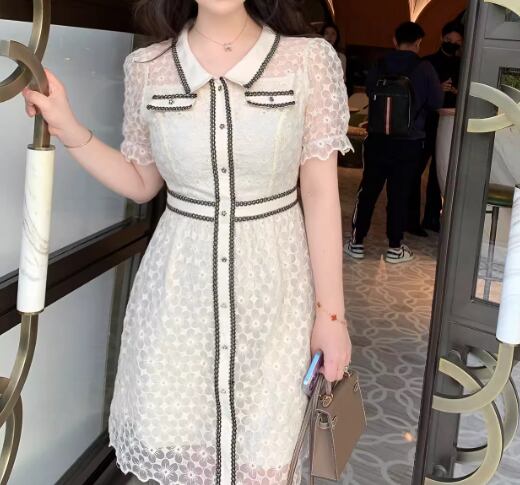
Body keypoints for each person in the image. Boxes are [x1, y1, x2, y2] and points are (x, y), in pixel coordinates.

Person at [22, 0, 353, 483]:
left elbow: (321, 196)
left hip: (277, 303)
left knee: (265, 459)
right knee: (186, 456)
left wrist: (332, 317)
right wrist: (68, 127)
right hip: (178, 304)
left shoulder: (307, 61)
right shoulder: (148, 68)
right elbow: (142, 182)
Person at [345, 21, 443, 264]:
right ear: (419, 42)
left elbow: (370, 93)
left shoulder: (379, 64)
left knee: (368, 191)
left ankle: (356, 242)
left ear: (394, 40)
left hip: (378, 139)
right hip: (409, 142)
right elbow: (436, 102)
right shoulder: (425, 68)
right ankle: (395, 248)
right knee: (400, 194)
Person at [420, 21, 464, 232]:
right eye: (449, 40)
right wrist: (438, 88)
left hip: (449, 124)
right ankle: (408, 219)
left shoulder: (464, 65)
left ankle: (432, 218)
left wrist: (457, 92)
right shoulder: (427, 63)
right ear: (441, 38)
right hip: (427, 122)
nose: (452, 44)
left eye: (457, 42)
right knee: (416, 169)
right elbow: (418, 93)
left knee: (440, 172)